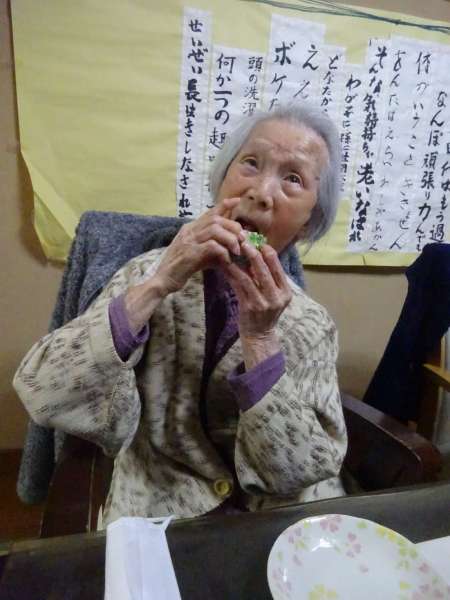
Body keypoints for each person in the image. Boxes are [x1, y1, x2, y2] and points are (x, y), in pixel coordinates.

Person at [14, 103, 348, 525]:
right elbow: (42, 392)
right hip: (157, 510)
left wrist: (261, 341)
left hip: (269, 522)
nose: (261, 192)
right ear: (222, 181)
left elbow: (299, 471)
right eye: (250, 163)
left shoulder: (312, 324)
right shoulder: (143, 274)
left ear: (307, 223)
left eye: (293, 179)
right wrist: (158, 282)